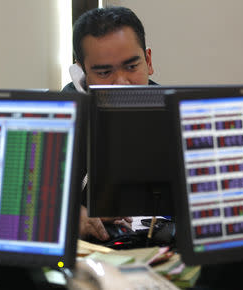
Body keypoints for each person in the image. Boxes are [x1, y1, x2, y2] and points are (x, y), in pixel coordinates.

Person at [62, 6, 156, 241]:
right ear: (82, 75)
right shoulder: (62, 120)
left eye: (132, 66)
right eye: (104, 72)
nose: (122, 83)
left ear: (148, 61)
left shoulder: (178, 114)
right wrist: (70, 214)